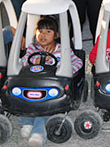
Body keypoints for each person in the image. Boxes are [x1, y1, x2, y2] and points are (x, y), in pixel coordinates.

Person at [20, 17, 83, 146]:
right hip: (33, 84)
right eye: (40, 31)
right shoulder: (33, 48)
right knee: (23, 97)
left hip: (52, 87)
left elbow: (78, 62)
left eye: (48, 31)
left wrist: (66, 70)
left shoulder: (63, 49)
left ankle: (38, 133)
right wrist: (34, 62)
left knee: (45, 105)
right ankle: (27, 121)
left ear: (56, 35)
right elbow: (22, 62)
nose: (43, 35)